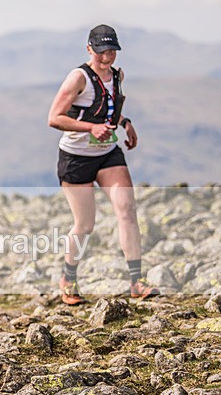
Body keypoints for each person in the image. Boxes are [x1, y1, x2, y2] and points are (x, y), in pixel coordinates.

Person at [48, 24, 160, 305]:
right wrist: (89, 129)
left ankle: (136, 281)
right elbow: (54, 117)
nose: (107, 58)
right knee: (85, 225)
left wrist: (125, 123)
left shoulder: (118, 76)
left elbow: (109, 107)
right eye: (101, 53)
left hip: (108, 153)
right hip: (75, 157)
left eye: (111, 52)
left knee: (127, 208)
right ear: (89, 49)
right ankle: (68, 279)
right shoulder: (78, 78)